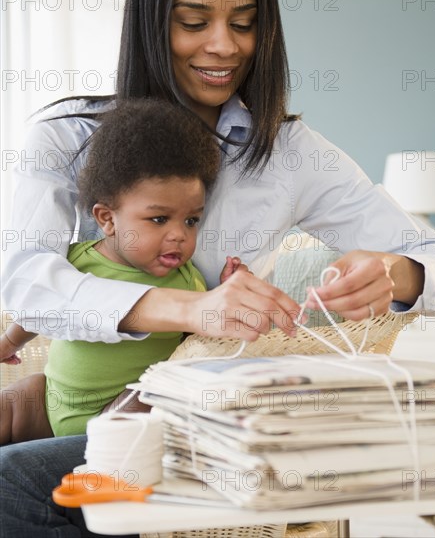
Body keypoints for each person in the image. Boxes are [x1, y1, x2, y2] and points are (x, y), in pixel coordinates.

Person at [0, 0, 435, 535]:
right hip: (77, 393)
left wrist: (398, 271)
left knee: (11, 482)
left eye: (244, 24)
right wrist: (193, 308)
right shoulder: (68, 134)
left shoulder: (291, 151)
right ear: (151, 27)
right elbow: (26, 280)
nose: (223, 46)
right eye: (194, 22)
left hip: (194, 421)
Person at [0, 98, 253, 444]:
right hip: (52, 401)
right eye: (159, 219)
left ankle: (102, 456)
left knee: (151, 394)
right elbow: (41, 308)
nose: (179, 234)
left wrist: (229, 290)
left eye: (191, 220)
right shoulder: (76, 261)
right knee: (17, 398)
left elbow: (201, 340)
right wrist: (10, 341)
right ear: (107, 219)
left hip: (115, 413)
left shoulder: (188, 283)